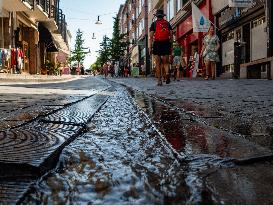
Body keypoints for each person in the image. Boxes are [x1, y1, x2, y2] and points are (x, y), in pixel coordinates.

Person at [149, 9, 173, 86]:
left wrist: (150, 47)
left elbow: (151, 36)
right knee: (166, 62)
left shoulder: (154, 24)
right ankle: (167, 73)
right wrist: (171, 45)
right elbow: (171, 35)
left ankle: (159, 81)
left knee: (158, 63)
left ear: (156, 16)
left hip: (157, 44)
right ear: (163, 16)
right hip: (166, 43)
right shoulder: (167, 23)